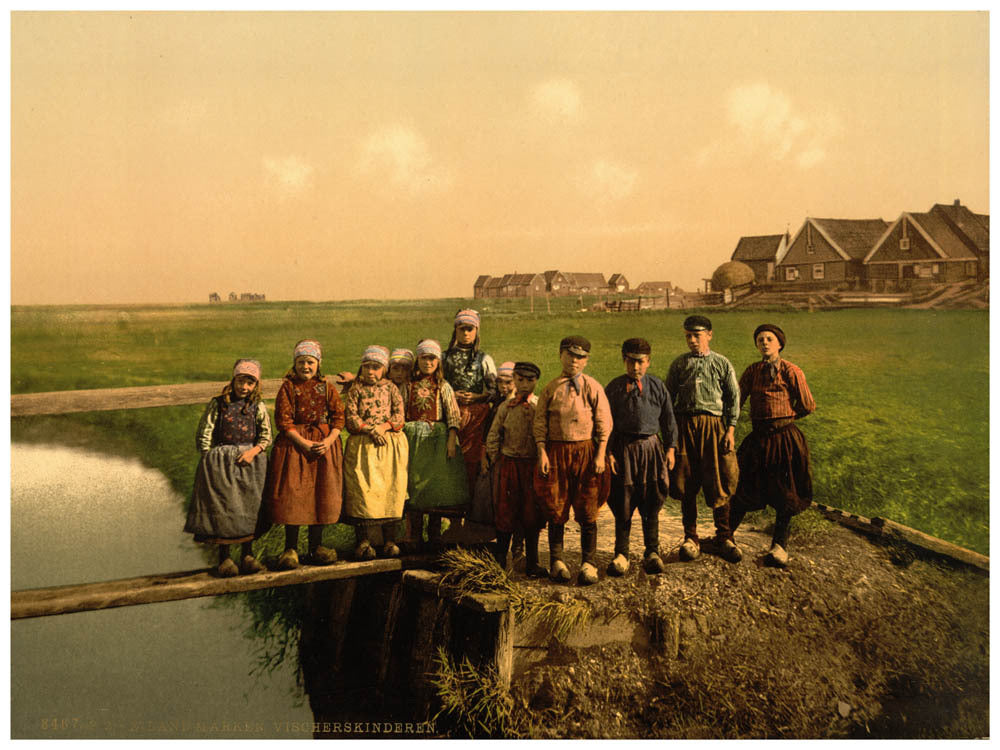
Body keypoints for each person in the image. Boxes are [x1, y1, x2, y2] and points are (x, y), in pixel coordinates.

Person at [729, 324, 816, 567]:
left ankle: (779, 546)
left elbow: (808, 405)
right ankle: (725, 537)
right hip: (757, 439)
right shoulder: (752, 371)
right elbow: (737, 401)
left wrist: (785, 419)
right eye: (760, 340)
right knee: (743, 486)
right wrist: (730, 426)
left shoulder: (791, 371)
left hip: (785, 438)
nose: (764, 343)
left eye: (769, 339)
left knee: (785, 491)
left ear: (779, 344)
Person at [533, 336, 612, 585]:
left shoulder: (593, 387)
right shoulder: (551, 388)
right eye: (570, 355)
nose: (574, 361)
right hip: (557, 452)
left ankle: (588, 563)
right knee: (556, 506)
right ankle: (557, 560)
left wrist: (600, 454)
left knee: (588, 506)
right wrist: (542, 451)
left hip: (586, 452)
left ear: (586, 360)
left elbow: (604, 423)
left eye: (580, 357)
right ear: (560, 355)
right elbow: (540, 424)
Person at [185, 358, 273, 577]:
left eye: (250, 383)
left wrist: (254, 451)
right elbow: (205, 432)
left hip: (251, 461)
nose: (244, 387)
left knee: (250, 505)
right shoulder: (219, 404)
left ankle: (248, 555)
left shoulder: (257, 406)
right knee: (225, 505)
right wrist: (210, 458)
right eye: (241, 381)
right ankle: (224, 558)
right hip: (222, 462)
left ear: (256, 385)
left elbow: (266, 435)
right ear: (233, 380)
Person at [665, 315, 741, 563]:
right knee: (686, 480)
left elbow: (733, 399)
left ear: (709, 334)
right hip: (685, 426)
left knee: (719, 479)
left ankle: (724, 536)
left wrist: (729, 430)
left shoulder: (721, 363)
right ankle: (690, 537)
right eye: (688, 336)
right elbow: (668, 400)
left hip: (713, 427)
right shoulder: (679, 364)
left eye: (697, 335)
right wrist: (671, 436)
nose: (692, 340)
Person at [265, 339, 345, 570]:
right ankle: (290, 549)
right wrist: (303, 442)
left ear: (318, 363)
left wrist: (329, 441)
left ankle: (315, 547)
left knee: (320, 493)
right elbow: (283, 420)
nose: (306, 367)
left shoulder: (327, 387)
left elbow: (339, 417)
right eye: (301, 362)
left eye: (310, 362)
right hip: (295, 446)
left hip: (322, 446)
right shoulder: (288, 387)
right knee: (294, 494)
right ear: (295, 363)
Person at [604, 338, 678, 576]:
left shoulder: (657, 386)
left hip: (651, 449)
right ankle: (621, 554)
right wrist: (607, 453)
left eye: (640, 362)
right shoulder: (614, 388)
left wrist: (670, 448)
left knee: (651, 500)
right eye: (630, 361)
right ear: (624, 361)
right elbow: (605, 424)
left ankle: (652, 552)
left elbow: (668, 420)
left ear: (648, 362)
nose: (635, 367)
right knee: (622, 501)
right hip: (623, 450)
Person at [342, 345, 409, 560]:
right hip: (363, 446)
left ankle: (390, 541)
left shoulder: (391, 388)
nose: (371, 372)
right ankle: (363, 542)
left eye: (376, 367)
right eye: (367, 367)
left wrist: (383, 427)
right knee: (362, 492)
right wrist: (370, 429)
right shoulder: (356, 389)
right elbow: (351, 417)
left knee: (390, 490)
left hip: (387, 446)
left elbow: (400, 415)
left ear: (384, 369)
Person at [402, 338, 467, 549]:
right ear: (417, 360)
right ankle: (414, 535)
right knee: (415, 483)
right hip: (413, 439)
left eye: (432, 359)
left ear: (438, 361)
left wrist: (451, 440)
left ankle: (435, 533)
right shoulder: (407, 386)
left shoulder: (443, 386)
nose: (428, 362)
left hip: (437, 439)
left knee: (435, 486)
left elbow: (453, 415)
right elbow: (400, 412)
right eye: (424, 358)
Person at [484, 361, 546, 576]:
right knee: (505, 511)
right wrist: (496, 460)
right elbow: (493, 436)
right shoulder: (506, 407)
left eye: (530, 380)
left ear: (536, 381)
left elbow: (544, 435)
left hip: (531, 466)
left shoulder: (539, 406)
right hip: (509, 465)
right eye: (520, 380)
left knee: (531, 514)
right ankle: (500, 563)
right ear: (514, 381)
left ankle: (531, 563)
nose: (525, 384)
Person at [442, 309, 498, 494]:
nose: (466, 334)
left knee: (472, 462)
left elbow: (494, 391)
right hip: (450, 414)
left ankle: (472, 509)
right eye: (462, 329)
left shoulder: (484, 359)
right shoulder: (444, 358)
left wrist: (477, 397)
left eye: (470, 329)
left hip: (476, 417)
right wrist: (452, 395)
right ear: (455, 331)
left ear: (476, 331)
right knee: (450, 460)